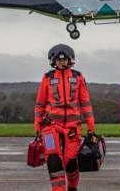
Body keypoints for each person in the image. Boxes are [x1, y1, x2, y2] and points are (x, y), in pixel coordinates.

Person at [34, 44, 96, 191]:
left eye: (64, 59)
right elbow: (40, 104)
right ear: (53, 61)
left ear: (70, 60)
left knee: (70, 162)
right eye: (58, 60)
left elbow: (86, 103)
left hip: (72, 127)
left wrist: (91, 126)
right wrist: (37, 126)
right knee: (54, 160)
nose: (61, 62)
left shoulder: (78, 77)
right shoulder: (47, 78)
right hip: (50, 126)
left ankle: (72, 188)